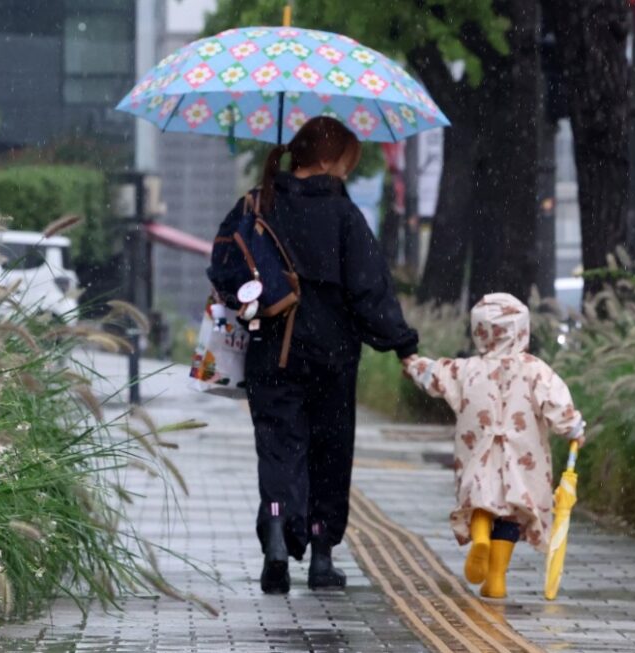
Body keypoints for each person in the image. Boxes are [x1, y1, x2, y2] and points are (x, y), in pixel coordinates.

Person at [237, 117, 419, 594]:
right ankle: (320, 555)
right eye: (345, 160)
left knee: (278, 449)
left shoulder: (257, 204)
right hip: (331, 355)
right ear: (326, 158)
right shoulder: (342, 214)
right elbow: (369, 289)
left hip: (270, 350)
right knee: (329, 452)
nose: (346, 170)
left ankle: (276, 534)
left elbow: (226, 267)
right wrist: (402, 342)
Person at [403, 293, 585, 598]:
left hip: (478, 451)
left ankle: (480, 539)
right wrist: (574, 428)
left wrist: (412, 364)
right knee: (513, 512)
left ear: (479, 331)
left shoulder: (466, 369)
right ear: (522, 329)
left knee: (481, 499)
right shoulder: (536, 370)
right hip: (522, 455)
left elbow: (435, 375)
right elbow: (557, 404)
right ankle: (497, 578)